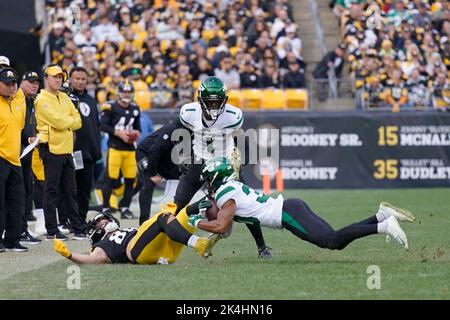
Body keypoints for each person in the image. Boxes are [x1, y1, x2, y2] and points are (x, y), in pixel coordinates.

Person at [189, 157, 416, 253]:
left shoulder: (224, 193)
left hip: (286, 214)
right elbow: (229, 223)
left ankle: (385, 226)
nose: (208, 184)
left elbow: (221, 227)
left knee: (333, 242)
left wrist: (196, 221)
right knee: (334, 236)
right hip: (291, 206)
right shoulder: (232, 187)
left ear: (217, 178)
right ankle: (380, 216)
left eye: (209, 179)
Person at [174, 76, 272, 259]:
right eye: (209, 103)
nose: (213, 107)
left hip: (224, 165)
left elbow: (241, 138)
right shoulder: (188, 113)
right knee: (178, 204)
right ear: (200, 100)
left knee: (247, 206)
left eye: (217, 102)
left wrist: (240, 161)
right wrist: (183, 155)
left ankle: (262, 246)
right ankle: (165, 240)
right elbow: (182, 133)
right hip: (199, 161)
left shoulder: (232, 116)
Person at [53, 203, 221, 264]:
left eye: (106, 219)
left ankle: (224, 211)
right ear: (96, 232)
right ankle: (199, 243)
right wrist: (69, 255)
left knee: (190, 210)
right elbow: (92, 259)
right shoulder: (101, 245)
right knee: (162, 217)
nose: (106, 222)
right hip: (137, 251)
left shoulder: (123, 229)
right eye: (101, 222)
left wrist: (171, 219)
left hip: (164, 252)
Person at [35, 64, 87, 241]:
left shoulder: (64, 97)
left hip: (66, 150)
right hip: (51, 149)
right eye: (54, 76)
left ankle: (78, 227)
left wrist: (68, 121)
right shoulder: (41, 99)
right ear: (46, 78)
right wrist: (68, 121)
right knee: (52, 191)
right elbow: (59, 122)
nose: (58, 79)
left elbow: (78, 121)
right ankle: (52, 230)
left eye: (60, 77)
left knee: (71, 190)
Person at [100, 80, 141, 219]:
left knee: (130, 179)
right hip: (115, 148)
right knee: (110, 179)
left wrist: (135, 134)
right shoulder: (110, 106)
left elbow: (138, 128)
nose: (126, 94)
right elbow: (103, 126)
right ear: (119, 92)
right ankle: (106, 207)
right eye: (124, 91)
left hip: (130, 150)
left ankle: (125, 208)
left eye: (129, 92)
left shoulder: (135, 109)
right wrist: (119, 133)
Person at [0, 66, 28, 252]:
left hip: (15, 159)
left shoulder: (18, 102)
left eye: (13, 84)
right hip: (0, 157)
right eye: (7, 84)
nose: (11, 87)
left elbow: (21, 128)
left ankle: (12, 239)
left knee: (17, 202)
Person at [70, 67, 102, 223]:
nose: (80, 81)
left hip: (88, 154)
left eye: (83, 79)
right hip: (72, 152)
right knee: (70, 190)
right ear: (70, 79)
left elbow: (96, 126)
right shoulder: (65, 98)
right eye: (77, 78)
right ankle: (70, 221)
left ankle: (81, 221)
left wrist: (96, 150)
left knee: (85, 190)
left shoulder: (91, 100)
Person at [136, 120, 183, 225]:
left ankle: (176, 217)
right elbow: (155, 150)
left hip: (163, 158)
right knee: (148, 183)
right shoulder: (171, 128)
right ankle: (144, 223)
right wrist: (153, 173)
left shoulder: (194, 130)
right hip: (146, 153)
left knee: (180, 179)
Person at [18, 71, 43, 245]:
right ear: (22, 83)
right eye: (30, 82)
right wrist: (27, 138)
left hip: (26, 151)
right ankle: (16, 230)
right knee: (17, 193)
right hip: (15, 152)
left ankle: (22, 229)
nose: (34, 85)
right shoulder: (18, 98)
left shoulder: (31, 100)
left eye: (36, 82)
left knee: (27, 190)